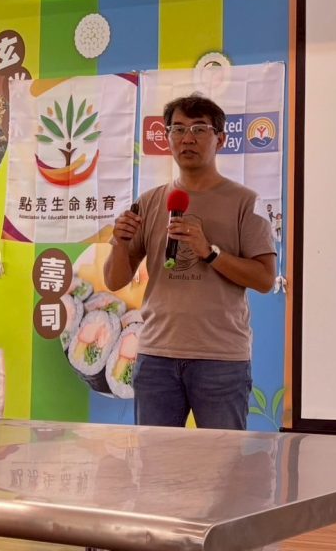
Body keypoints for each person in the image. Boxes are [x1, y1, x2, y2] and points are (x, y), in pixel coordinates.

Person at [104, 94, 276, 429]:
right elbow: (114, 280)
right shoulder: (150, 201)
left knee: (223, 459)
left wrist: (210, 252)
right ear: (167, 137)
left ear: (220, 139)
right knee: (155, 458)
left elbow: (265, 279)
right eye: (178, 129)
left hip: (220, 359)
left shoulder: (245, 202)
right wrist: (121, 244)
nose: (187, 138)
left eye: (199, 129)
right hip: (156, 356)